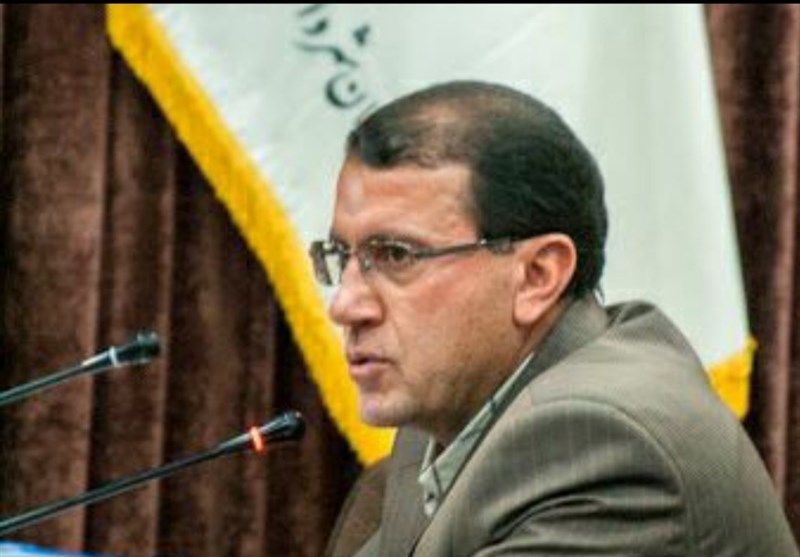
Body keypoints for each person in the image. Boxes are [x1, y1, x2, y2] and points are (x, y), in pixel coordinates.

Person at [311, 81, 799, 556]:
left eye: (396, 255)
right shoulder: (443, 413)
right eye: (339, 256)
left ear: (537, 276)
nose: (345, 305)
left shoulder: (599, 442)